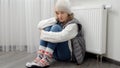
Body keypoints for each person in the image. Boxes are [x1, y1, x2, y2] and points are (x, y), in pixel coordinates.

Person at [26, 0, 82, 68]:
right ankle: (40, 57)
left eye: (62, 13)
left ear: (68, 13)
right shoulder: (58, 20)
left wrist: (43, 34)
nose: (59, 16)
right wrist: (55, 20)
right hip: (54, 55)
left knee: (55, 28)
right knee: (47, 27)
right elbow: (39, 25)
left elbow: (61, 37)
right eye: (57, 13)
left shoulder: (73, 25)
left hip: (67, 56)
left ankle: (46, 59)